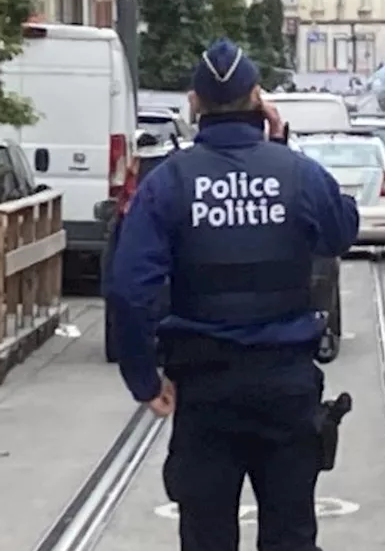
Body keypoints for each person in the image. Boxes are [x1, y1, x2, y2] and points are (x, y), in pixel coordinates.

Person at [107, 39, 360, 551]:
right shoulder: (298, 174)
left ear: (193, 104)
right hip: (286, 386)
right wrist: (282, 146)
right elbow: (340, 232)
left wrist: (144, 380)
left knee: (206, 538)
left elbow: (128, 290)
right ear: (258, 98)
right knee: (290, 535)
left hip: (205, 390)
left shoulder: (168, 183)